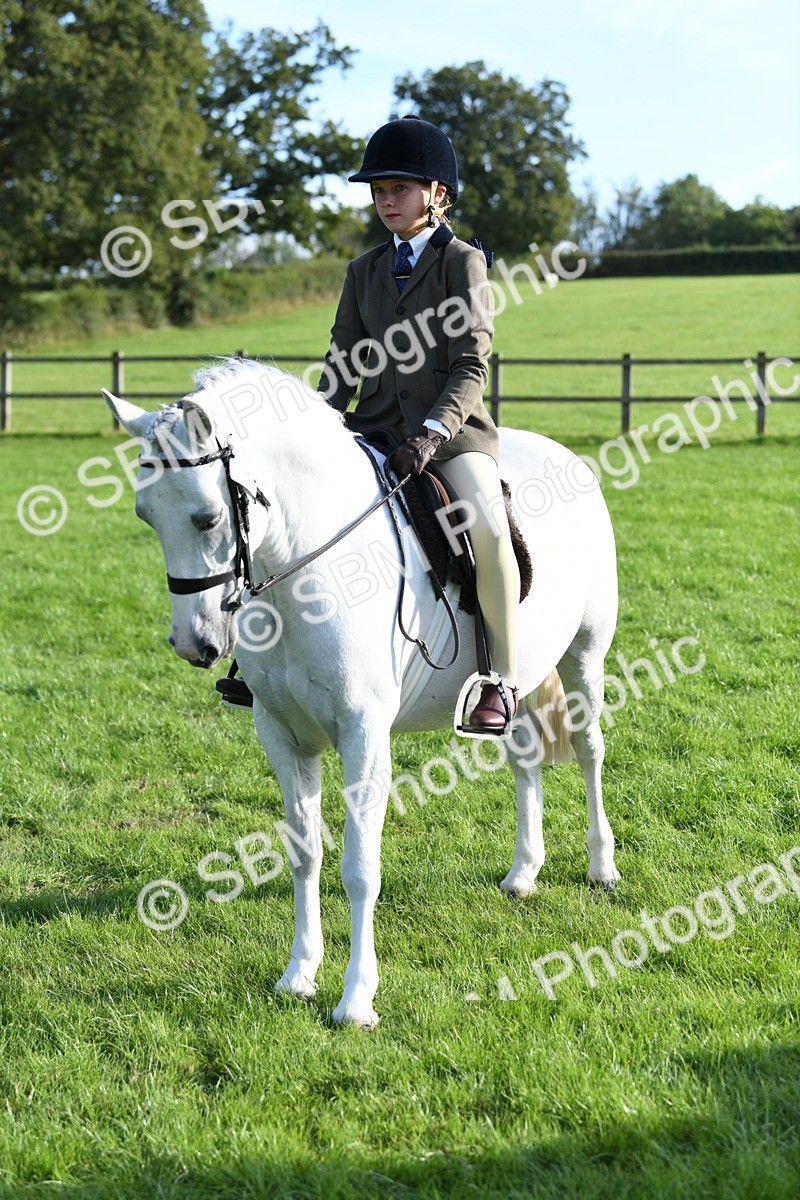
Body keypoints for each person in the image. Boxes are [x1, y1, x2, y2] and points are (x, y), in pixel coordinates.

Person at [319, 115, 520, 734]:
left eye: (398, 188)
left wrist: (432, 434)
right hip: (375, 427)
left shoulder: (463, 264)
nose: (385, 199)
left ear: (436, 194)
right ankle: (264, 668)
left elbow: (470, 363)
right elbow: (343, 363)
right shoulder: (362, 272)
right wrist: (319, 422)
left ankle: (503, 681)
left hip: (451, 434)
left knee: (486, 526)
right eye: (378, 190)